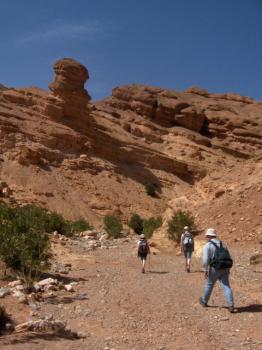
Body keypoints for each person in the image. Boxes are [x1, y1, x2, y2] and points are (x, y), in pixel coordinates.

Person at [199, 228, 235, 313]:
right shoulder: (223, 244)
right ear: (215, 235)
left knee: (209, 284)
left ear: (208, 236)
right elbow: (228, 256)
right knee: (226, 286)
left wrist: (205, 269)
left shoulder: (208, 245)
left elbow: (205, 259)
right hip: (225, 268)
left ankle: (204, 301)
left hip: (214, 268)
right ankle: (231, 305)